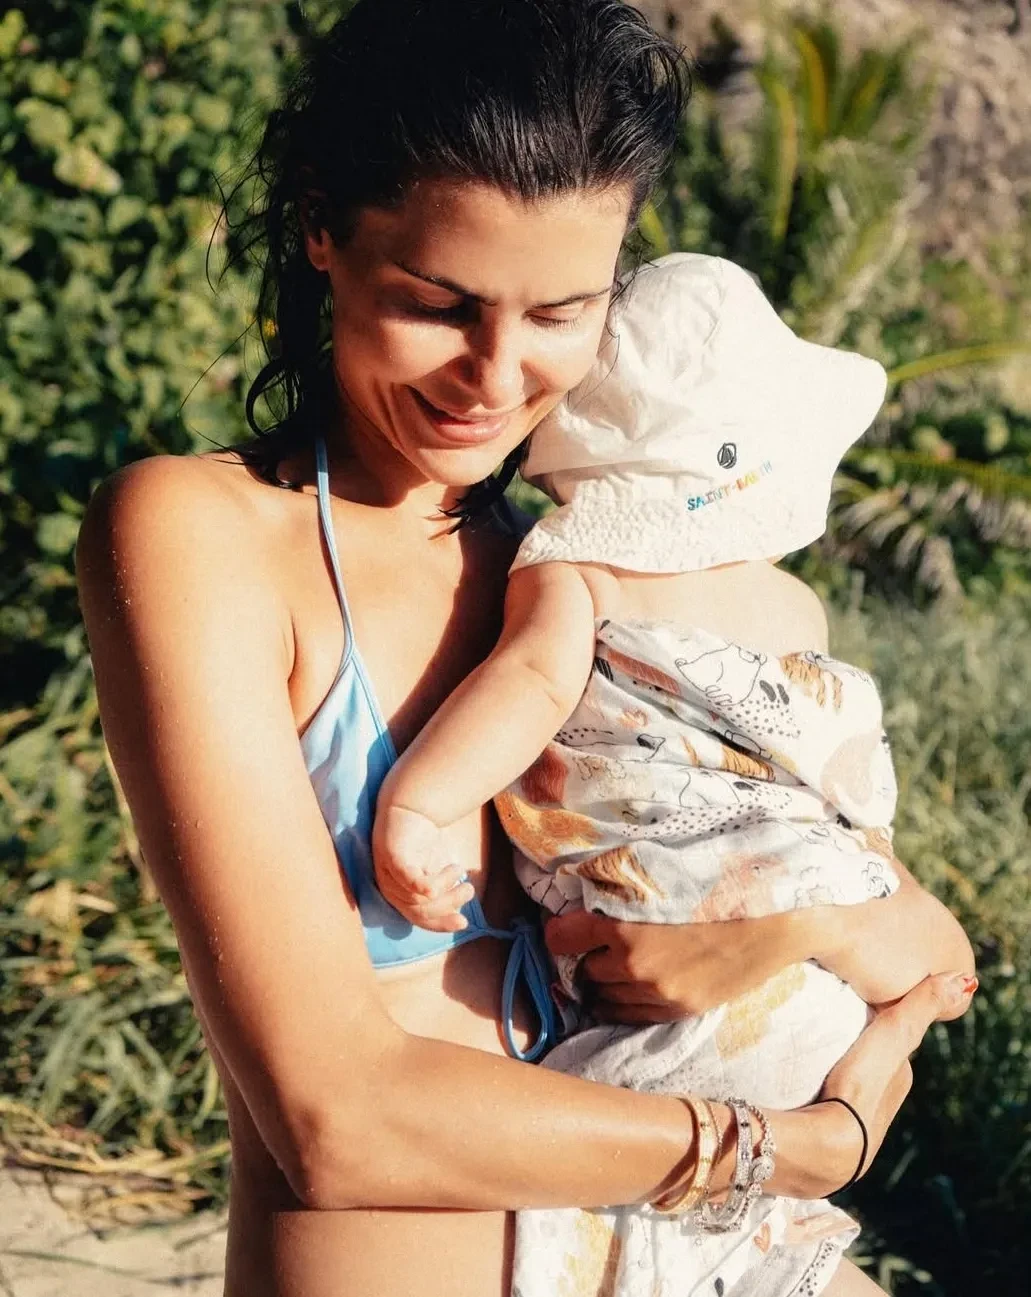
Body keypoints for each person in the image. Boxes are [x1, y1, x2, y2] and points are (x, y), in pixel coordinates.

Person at [74, 3, 975, 1296]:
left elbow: (925, 946)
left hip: (710, 1260)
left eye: (560, 311)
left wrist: (770, 934)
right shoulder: (204, 535)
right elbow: (338, 1119)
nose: (494, 377)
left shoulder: (594, 572)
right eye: (437, 305)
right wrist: (779, 1148)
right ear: (321, 225)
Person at [371, 250, 978, 1296]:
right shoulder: (795, 608)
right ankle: (869, 1062)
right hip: (822, 1004)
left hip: (667, 980)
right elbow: (841, 794)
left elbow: (527, 684)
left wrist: (416, 807)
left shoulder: (582, 571)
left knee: (592, 1216)